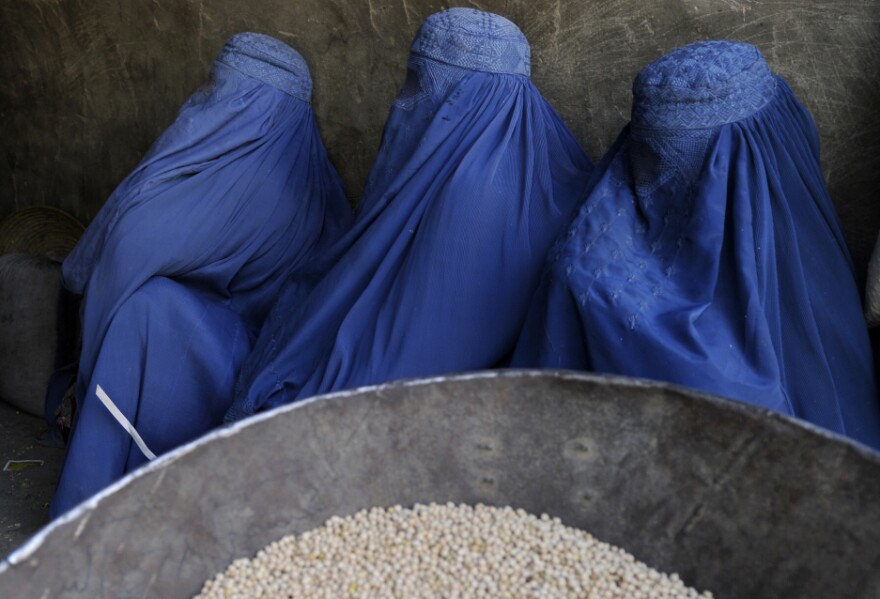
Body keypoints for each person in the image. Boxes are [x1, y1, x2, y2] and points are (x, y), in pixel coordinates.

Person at [225, 8, 593, 420]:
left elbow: (392, 374)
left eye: (418, 84)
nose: (402, 101)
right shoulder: (536, 161)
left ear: (462, 97)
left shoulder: (474, 200)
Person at [512, 40, 880, 448]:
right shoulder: (587, 259)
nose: (651, 174)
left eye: (673, 156)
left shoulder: (793, 234)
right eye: (646, 152)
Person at [50, 33, 353, 518]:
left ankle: (95, 499)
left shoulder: (203, 171)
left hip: (239, 384)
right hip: (264, 378)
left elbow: (122, 251)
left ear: (243, 103)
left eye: (222, 90)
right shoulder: (319, 182)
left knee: (147, 310)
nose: (208, 101)